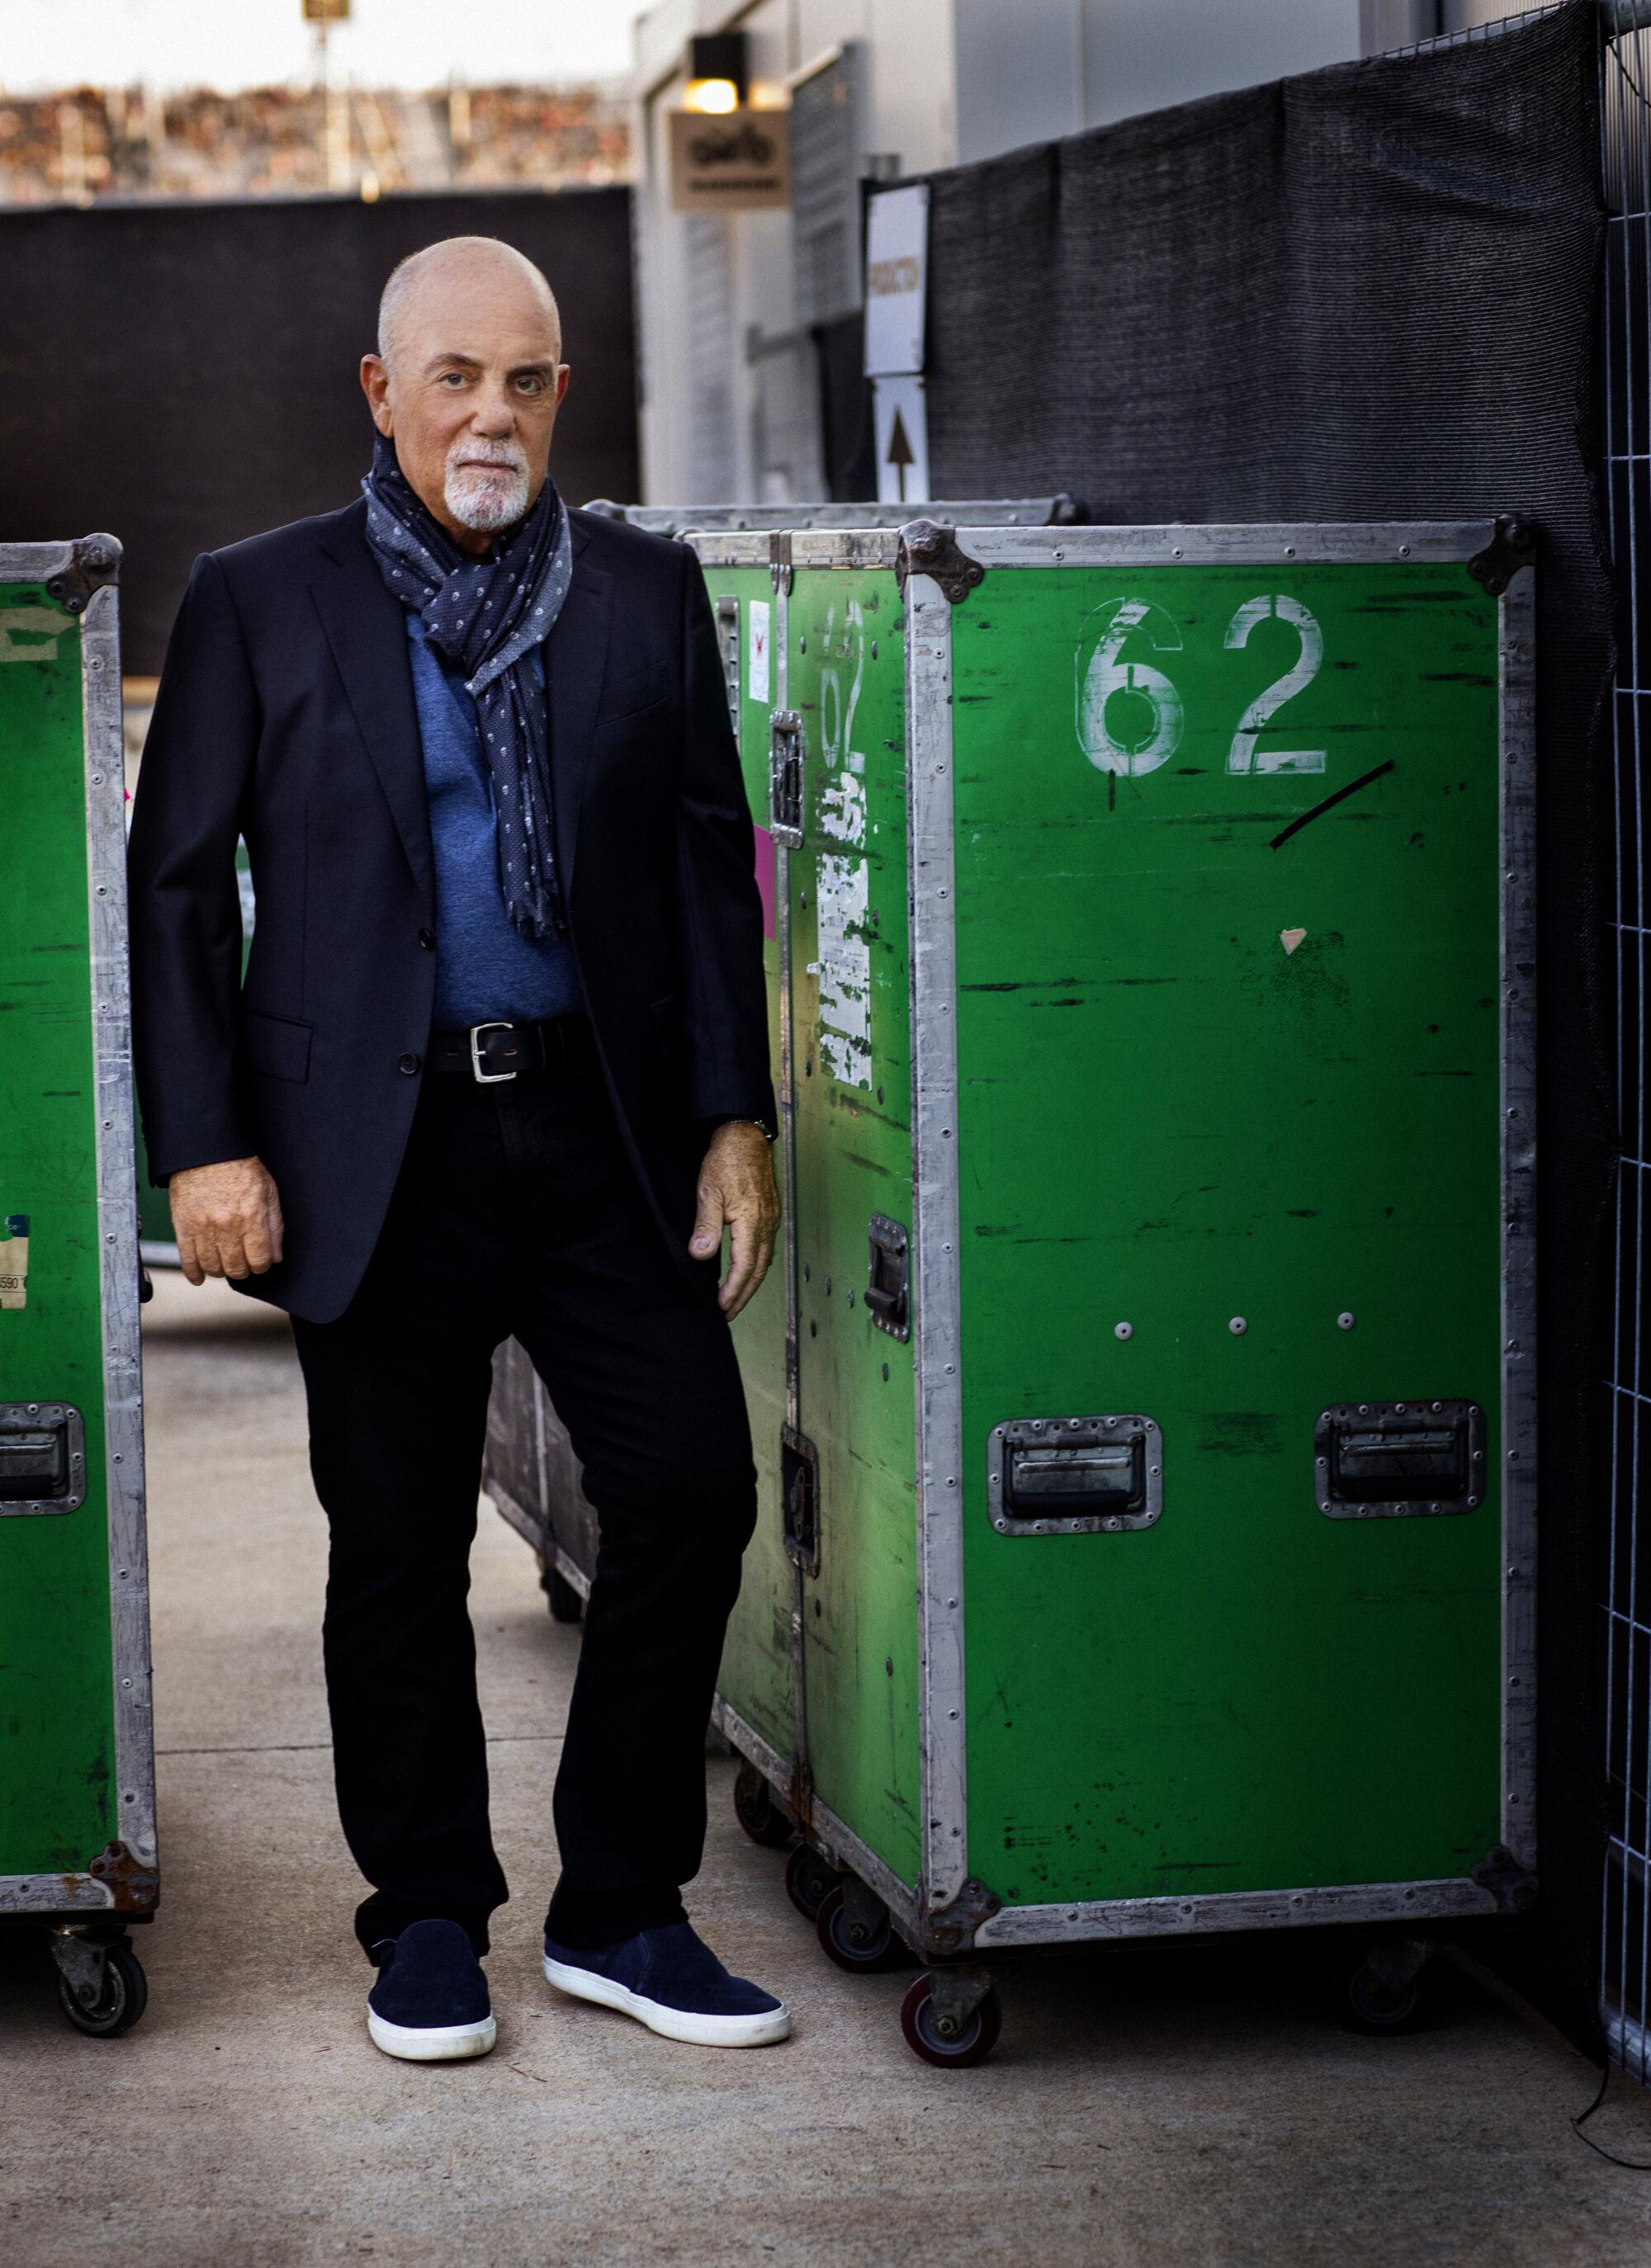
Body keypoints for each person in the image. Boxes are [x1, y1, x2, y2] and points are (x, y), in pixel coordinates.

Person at [128, 236, 788, 2062]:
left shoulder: (644, 593)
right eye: (454, 378)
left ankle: (621, 1908)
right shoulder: (264, 599)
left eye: (525, 379)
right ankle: (426, 1914)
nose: (491, 412)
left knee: (687, 1494)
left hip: (601, 1128)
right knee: (396, 1545)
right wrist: (205, 1149)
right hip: (372, 1148)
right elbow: (176, 890)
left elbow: (702, 865)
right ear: (380, 391)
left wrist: (733, 1118)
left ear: (561, 393)